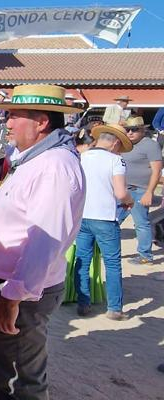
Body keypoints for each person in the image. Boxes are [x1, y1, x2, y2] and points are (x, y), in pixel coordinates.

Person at [0, 84, 86, 400]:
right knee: (7, 365)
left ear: (41, 122)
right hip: (8, 284)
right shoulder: (36, 159)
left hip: (20, 290)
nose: (8, 123)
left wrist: (13, 297)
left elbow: (44, 241)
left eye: (15, 116)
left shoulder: (54, 166)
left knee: (20, 376)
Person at [74, 124, 134, 320]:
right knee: (112, 263)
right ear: (115, 143)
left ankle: (83, 303)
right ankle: (114, 308)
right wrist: (129, 200)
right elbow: (121, 193)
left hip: (83, 215)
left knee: (82, 260)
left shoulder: (81, 156)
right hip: (105, 217)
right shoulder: (116, 160)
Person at [118, 116, 163, 265]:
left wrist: (149, 192)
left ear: (142, 130)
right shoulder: (123, 143)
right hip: (123, 189)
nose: (130, 132)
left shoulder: (150, 145)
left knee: (141, 223)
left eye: (134, 129)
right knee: (113, 221)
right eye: (127, 129)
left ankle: (145, 256)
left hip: (140, 189)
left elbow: (156, 171)